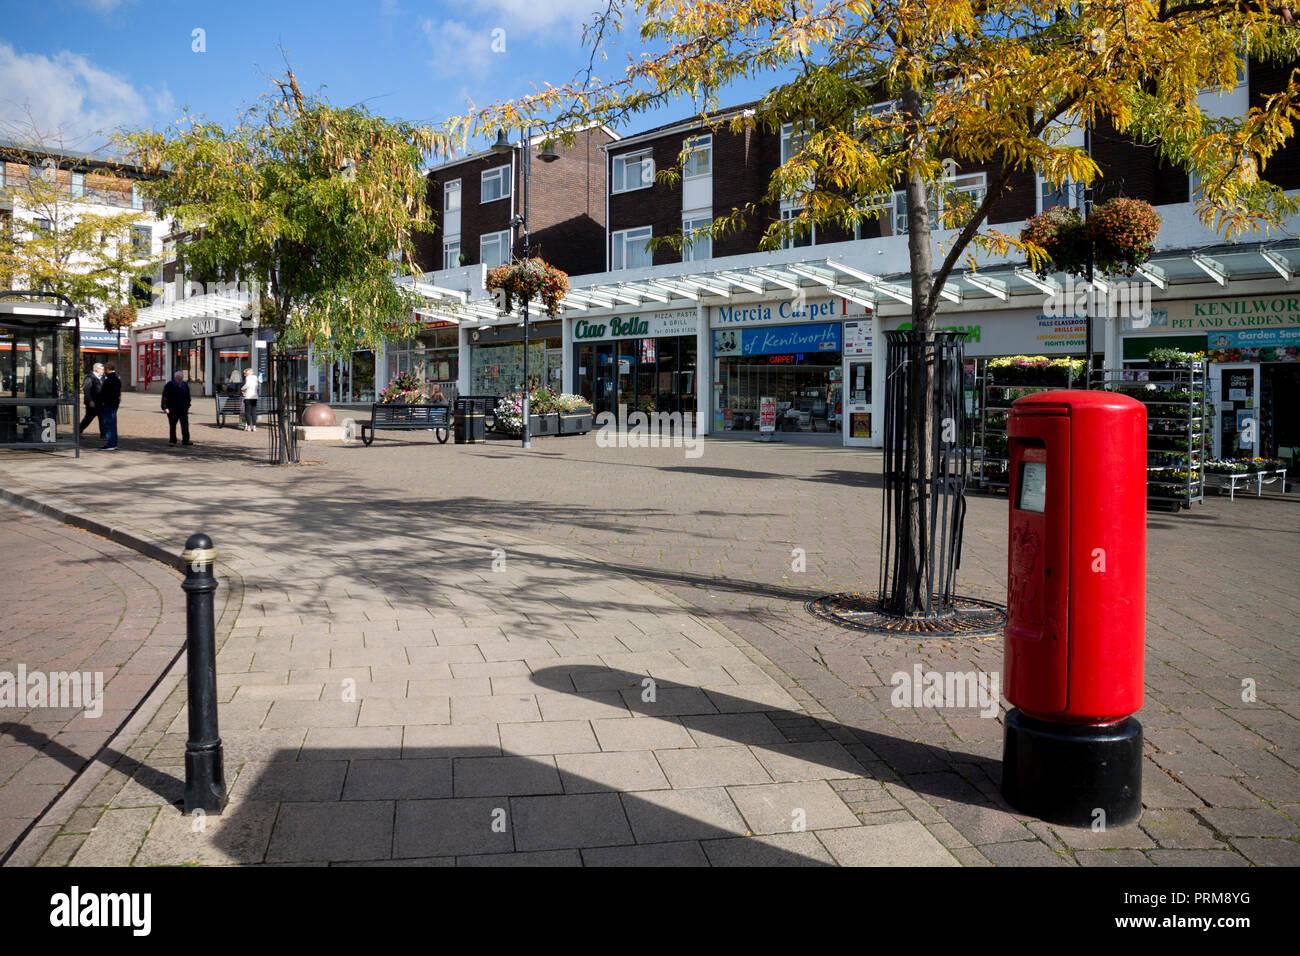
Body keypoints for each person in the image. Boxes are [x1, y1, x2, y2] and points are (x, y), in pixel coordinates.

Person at [161, 370, 192, 446]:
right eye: (178, 378)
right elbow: (164, 397)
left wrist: (188, 405)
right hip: (172, 409)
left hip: (183, 409)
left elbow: (188, 397)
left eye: (181, 378)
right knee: (172, 425)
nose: (180, 380)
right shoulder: (169, 385)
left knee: (185, 425)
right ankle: (172, 440)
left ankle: (186, 440)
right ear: (175, 378)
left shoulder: (185, 385)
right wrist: (165, 407)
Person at [98, 364, 122, 450]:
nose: (104, 372)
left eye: (105, 370)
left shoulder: (110, 380)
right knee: (112, 424)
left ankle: (111, 443)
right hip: (113, 404)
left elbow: (107, 393)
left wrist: (104, 402)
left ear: (108, 369)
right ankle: (113, 443)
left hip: (109, 404)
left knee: (109, 424)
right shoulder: (115, 379)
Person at [78, 363, 104, 436]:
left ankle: (104, 435)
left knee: (102, 418)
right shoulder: (89, 377)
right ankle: (78, 430)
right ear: (96, 369)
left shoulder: (102, 378)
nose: (103, 371)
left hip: (101, 403)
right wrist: (90, 401)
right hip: (92, 403)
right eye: (102, 369)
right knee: (88, 418)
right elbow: (86, 390)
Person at [241, 368, 259, 432]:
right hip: (255, 397)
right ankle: (254, 427)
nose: (244, 374)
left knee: (248, 412)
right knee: (253, 412)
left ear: (247, 373)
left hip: (248, 396)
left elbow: (247, 385)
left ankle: (248, 427)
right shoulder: (255, 378)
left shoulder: (248, 377)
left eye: (245, 373)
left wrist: (242, 389)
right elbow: (257, 386)